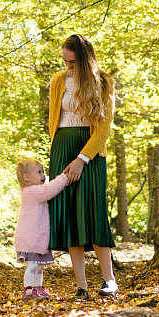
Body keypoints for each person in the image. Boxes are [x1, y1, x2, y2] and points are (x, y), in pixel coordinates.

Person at [47, 33, 118, 299]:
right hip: (62, 148)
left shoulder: (104, 82)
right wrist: (60, 155)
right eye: (65, 61)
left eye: (74, 62)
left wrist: (82, 158)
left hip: (91, 153)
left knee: (92, 213)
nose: (69, 66)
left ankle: (109, 280)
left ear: (85, 59)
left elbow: (103, 128)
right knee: (69, 217)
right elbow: (55, 120)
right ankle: (81, 286)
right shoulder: (57, 81)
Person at [14, 158, 69, 301]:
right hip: (30, 238)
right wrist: (64, 177)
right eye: (39, 172)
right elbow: (50, 189)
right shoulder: (32, 191)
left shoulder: (32, 191)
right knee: (32, 265)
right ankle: (28, 289)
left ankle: (38, 287)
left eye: (43, 172)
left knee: (39, 266)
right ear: (26, 177)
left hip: (36, 237)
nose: (43, 175)